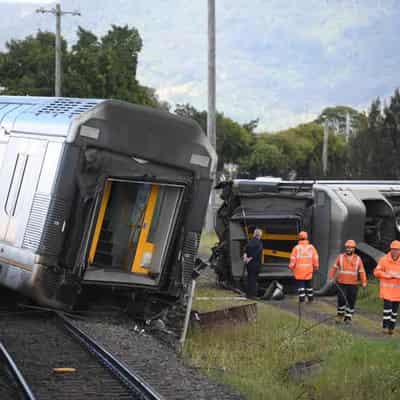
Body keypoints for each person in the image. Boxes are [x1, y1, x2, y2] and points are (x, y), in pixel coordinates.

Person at [328, 240, 367, 324]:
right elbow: (334, 267)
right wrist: (331, 277)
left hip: (353, 284)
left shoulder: (358, 259)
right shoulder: (340, 257)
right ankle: (340, 315)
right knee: (341, 299)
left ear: (354, 249)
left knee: (351, 301)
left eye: (350, 248)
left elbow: (362, 271)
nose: (348, 249)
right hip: (341, 282)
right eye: (347, 247)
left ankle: (348, 317)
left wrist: (364, 282)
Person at [374, 240, 400, 335]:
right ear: (390, 249)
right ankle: (385, 327)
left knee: (394, 312)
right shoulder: (384, 260)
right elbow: (376, 272)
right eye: (393, 249)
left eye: (397, 250)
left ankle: (391, 328)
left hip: (397, 293)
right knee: (387, 309)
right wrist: (386, 275)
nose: (395, 251)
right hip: (387, 291)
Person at [289, 231, 319, 303]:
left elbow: (293, 259)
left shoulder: (296, 248)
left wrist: (291, 267)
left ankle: (302, 299)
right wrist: (316, 266)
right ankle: (310, 298)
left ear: (299, 238)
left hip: (299, 270)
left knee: (301, 285)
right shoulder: (311, 247)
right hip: (308, 269)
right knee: (309, 284)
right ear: (306, 238)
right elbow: (315, 258)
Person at [243, 229, 263, 299]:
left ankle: (248, 294)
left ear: (254, 234)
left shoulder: (250, 241)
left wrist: (245, 258)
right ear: (260, 235)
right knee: (253, 279)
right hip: (255, 263)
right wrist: (250, 258)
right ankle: (252, 295)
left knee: (249, 278)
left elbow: (245, 249)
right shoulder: (259, 243)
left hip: (249, 264)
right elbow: (256, 253)